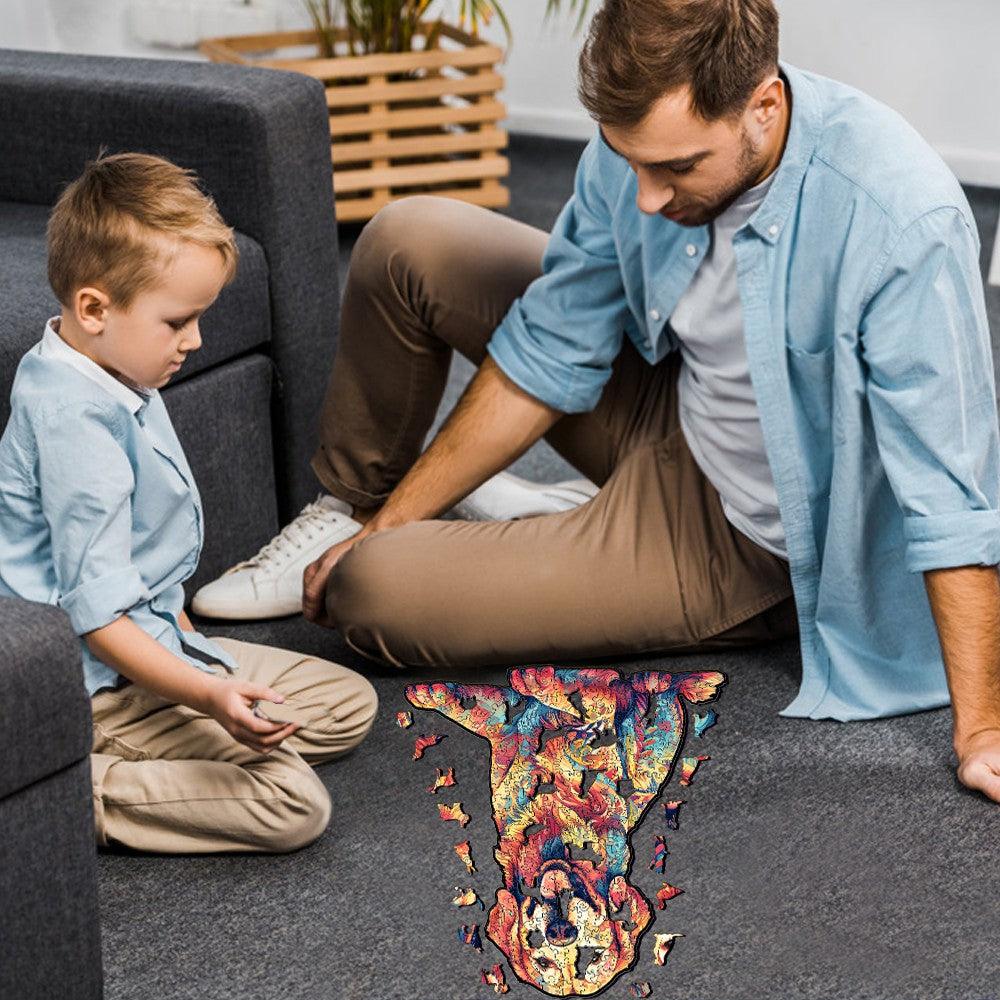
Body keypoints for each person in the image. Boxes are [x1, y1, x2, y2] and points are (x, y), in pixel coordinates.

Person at [194, 0, 1000, 804]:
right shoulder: (643, 144)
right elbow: (553, 342)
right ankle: (355, 508)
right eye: (631, 160)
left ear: (763, 105)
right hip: (675, 400)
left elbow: (948, 491)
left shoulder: (899, 218)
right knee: (409, 241)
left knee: (368, 591)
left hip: (751, 538)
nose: (647, 196)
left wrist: (983, 731)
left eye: (678, 168)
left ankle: (516, 530)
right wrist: (386, 521)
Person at [0, 152, 378, 853]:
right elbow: (100, 621)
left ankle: (190, 751)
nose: (195, 341)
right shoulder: (73, 424)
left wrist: (190, 653)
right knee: (293, 804)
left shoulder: (112, 368)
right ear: (94, 308)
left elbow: (141, 566)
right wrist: (205, 695)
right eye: (178, 322)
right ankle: (73, 788)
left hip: (152, 645)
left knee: (349, 705)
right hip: (99, 685)